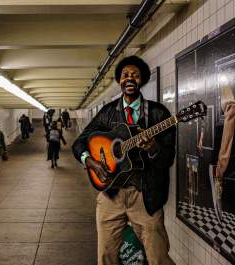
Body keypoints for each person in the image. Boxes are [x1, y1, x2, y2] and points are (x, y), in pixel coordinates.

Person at [72, 56, 176, 265]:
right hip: (111, 194)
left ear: (142, 80)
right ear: (119, 80)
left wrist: (154, 147)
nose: (130, 79)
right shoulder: (108, 112)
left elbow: (168, 158)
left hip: (145, 196)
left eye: (135, 75)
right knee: (106, 256)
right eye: (125, 75)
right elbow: (79, 142)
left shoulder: (158, 113)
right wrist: (89, 161)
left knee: (158, 257)